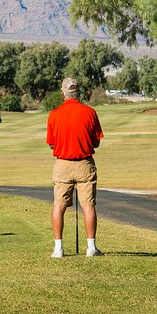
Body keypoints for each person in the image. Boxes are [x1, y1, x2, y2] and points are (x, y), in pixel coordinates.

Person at [46, 77, 104, 258]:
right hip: (85, 164)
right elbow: (96, 142)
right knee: (88, 206)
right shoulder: (90, 112)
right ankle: (91, 248)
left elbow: (51, 144)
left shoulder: (54, 114)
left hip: (62, 164)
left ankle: (58, 249)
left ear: (63, 93)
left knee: (59, 206)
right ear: (77, 93)